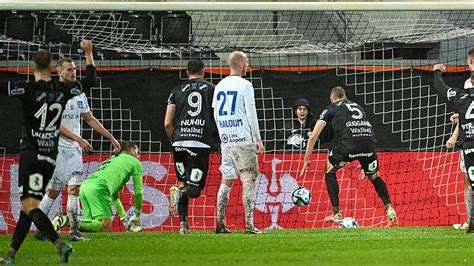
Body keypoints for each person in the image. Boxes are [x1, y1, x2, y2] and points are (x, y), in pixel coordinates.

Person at [0, 49, 81, 264]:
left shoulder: (27, 89)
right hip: (50, 156)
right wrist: (89, 55)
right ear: (52, 67)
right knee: (28, 208)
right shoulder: (63, 90)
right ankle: (11, 254)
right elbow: (89, 80)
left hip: (31, 155)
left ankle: (60, 244)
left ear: (34, 67)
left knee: (30, 206)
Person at [35, 40, 121, 242]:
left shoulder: (78, 93)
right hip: (56, 149)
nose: (73, 73)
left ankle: (73, 230)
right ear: (58, 72)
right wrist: (79, 138)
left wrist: (110, 137)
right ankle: (40, 228)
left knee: (74, 189)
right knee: (54, 191)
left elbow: (90, 119)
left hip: (74, 151)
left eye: (74, 69)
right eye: (68, 70)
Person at [300, 86, 398, 226]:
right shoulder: (357, 105)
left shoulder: (330, 108)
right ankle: (390, 209)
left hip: (348, 145)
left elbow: (313, 136)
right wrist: (365, 158)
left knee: (329, 169)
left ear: (332, 98)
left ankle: (336, 213)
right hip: (369, 144)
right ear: (345, 96)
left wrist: (306, 160)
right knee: (374, 176)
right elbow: (365, 129)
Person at [212, 51, 265, 234]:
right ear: (241, 64)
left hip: (226, 139)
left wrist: (223, 135)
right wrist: (257, 138)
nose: (248, 65)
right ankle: (249, 225)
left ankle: (220, 223)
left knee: (226, 180)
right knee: (248, 179)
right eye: (247, 61)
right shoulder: (245, 85)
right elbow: (251, 113)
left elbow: (216, 114)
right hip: (243, 139)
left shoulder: (219, 85)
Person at [164, 59, 216, 235]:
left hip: (178, 142)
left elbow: (167, 122)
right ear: (204, 71)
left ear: (187, 72)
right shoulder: (211, 88)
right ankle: (181, 196)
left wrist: (175, 141)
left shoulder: (176, 90)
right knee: (194, 190)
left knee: (181, 182)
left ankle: (183, 226)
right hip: (199, 143)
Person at [53, 141, 142, 233]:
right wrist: (137, 214)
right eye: (137, 152)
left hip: (85, 186)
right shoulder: (134, 162)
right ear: (129, 151)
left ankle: (64, 221)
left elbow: (114, 196)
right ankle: (67, 219)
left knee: (91, 229)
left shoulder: (111, 160)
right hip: (99, 188)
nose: (138, 156)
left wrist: (124, 218)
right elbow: (138, 192)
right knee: (105, 227)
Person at [433, 63, 474, 233]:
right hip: (468, 141)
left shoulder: (461, 94)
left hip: (469, 143)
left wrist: (436, 71)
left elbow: (441, 87)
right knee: (469, 182)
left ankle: (471, 222)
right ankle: (469, 219)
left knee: (471, 184)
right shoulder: (465, 85)